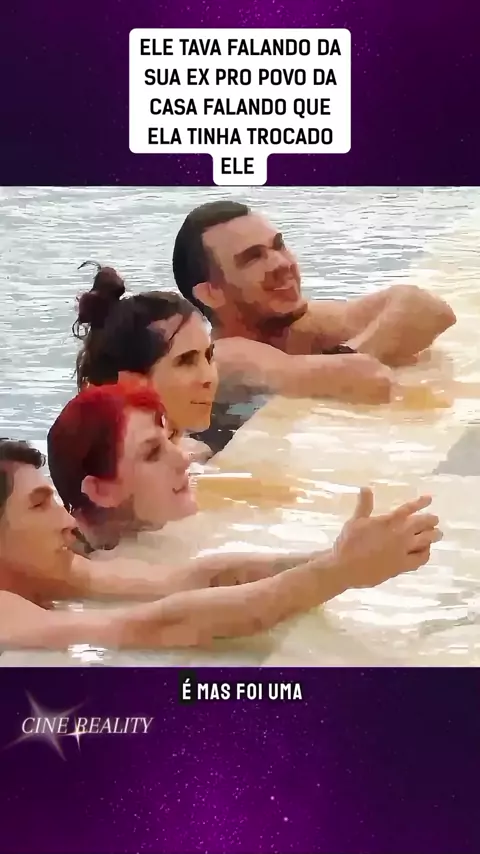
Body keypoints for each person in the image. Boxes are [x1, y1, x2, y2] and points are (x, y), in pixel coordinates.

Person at [0, 420, 441, 651]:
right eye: (38, 505)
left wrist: (335, 556)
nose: (66, 522)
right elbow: (156, 627)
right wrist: (336, 574)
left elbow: (188, 582)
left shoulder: (59, 568)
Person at [172, 201, 456, 405]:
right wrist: (357, 355)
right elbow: (368, 379)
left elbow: (428, 309)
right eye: (253, 258)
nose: (282, 263)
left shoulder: (304, 325)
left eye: (278, 246)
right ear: (211, 294)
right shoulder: (224, 358)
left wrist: (350, 350)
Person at [73, 262, 217, 449]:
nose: (208, 378)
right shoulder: (113, 467)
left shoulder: (194, 450)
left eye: (209, 356)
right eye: (185, 361)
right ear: (131, 381)